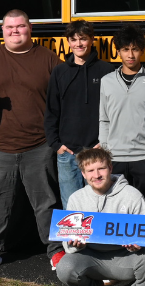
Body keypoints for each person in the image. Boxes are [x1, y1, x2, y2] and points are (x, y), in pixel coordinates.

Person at [0, 9, 62, 270]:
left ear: (29, 28)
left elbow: (62, 99)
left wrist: (55, 138)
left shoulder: (48, 59)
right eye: (9, 27)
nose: (15, 31)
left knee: (46, 202)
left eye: (20, 26)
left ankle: (56, 251)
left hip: (39, 144)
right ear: (2, 30)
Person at [51, 147, 145, 286]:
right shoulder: (76, 198)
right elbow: (67, 240)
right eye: (90, 171)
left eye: (101, 168)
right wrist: (74, 245)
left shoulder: (132, 195)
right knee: (64, 266)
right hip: (91, 257)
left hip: (125, 257)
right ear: (83, 174)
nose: (97, 175)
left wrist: (137, 245)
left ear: (110, 168)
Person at [44, 20, 115, 205]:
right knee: (71, 206)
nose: (78, 44)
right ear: (68, 42)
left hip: (97, 151)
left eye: (83, 39)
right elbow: (52, 110)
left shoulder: (107, 70)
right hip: (67, 152)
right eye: (74, 39)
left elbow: (113, 110)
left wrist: (104, 142)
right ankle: (74, 237)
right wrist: (56, 144)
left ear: (92, 39)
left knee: (101, 203)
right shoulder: (59, 72)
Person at [98, 24, 145, 210]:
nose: (130, 55)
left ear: (142, 50)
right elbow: (104, 119)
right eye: (125, 49)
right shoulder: (107, 81)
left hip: (144, 159)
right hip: (114, 159)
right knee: (116, 208)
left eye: (135, 49)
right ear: (118, 52)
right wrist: (106, 151)